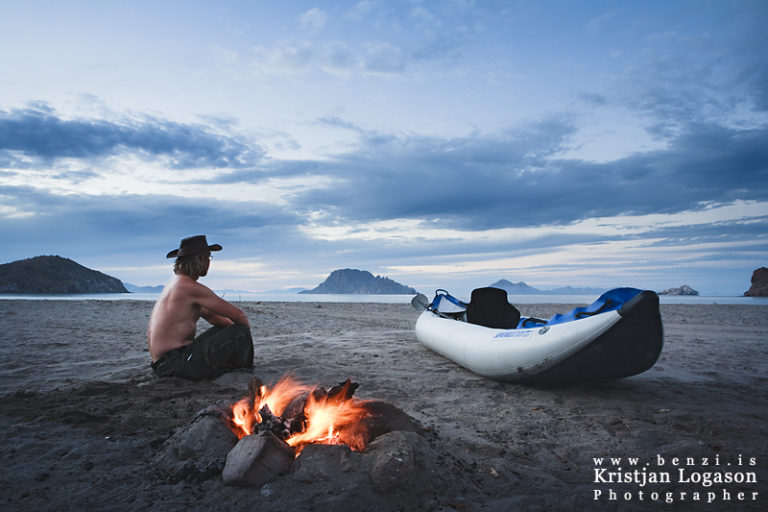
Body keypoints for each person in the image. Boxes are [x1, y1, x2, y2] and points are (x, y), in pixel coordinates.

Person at [148, 235, 254, 380]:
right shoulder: (190, 287)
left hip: (163, 363)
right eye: (209, 257)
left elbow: (213, 317)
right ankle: (245, 372)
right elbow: (239, 316)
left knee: (232, 330)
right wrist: (243, 336)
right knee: (241, 331)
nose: (209, 262)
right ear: (202, 258)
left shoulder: (175, 284)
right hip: (175, 365)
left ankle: (234, 367)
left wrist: (231, 334)